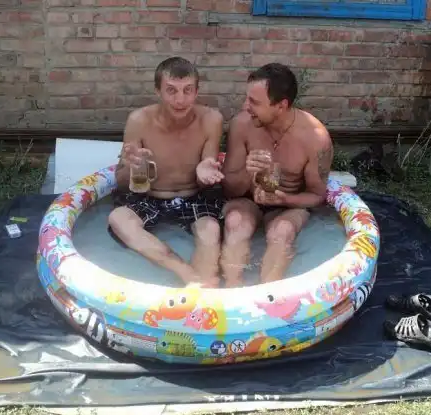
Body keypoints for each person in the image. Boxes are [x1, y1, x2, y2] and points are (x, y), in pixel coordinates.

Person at [108, 57, 225, 288]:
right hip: (150, 195)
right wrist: (130, 167)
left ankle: (205, 287)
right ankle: (185, 272)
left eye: (187, 90)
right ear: (158, 91)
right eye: (171, 90)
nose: (180, 100)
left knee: (211, 230)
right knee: (118, 219)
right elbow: (120, 183)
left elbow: (208, 175)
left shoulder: (211, 120)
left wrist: (205, 173)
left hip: (193, 195)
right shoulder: (139, 121)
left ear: (196, 91)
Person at [220, 63, 334, 287]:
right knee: (235, 222)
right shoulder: (242, 125)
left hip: (288, 206)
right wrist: (247, 172)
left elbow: (317, 196)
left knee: (282, 232)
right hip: (247, 200)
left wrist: (285, 199)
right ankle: (232, 290)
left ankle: (268, 294)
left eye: (254, 102)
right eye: (247, 98)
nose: (245, 106)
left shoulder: (315, 139)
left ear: (281, 105)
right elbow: (229, 189)